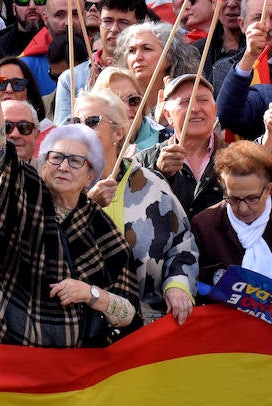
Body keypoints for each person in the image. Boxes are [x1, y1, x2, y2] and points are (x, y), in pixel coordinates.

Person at [0, 50, 140, 347]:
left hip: (72, 370)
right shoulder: (22, 191)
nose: (63, 166)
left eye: (76, 161)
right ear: (43, 162)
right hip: (4, 349)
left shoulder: (101, 228)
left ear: (91, 175)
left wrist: (89, 293)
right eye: (56, 157)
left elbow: (128, 313)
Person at [76, 89, 197, 325]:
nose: (81, 129)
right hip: (79, 328)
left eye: (91, 121)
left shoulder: (154, 185)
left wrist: (178, 285)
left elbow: (183, 244)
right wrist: (88, 205)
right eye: (75, 122)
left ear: (118, 132)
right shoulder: (60, 184)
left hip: (143, 325)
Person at [192, 141, 272, 303]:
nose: (242, 208)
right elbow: (195, 277)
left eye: (252, 198)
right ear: (222, 184)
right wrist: (218, 276)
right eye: (232, 198)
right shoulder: (205, 224)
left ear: (269, 188)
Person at [136, 74, 226, 217]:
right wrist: (158, 174)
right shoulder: (143, 161)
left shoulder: (237, 159)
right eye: (185, 102)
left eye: (202, 100)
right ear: (167, 115)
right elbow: (136, 212)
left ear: (215, 110)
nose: (195, 108)